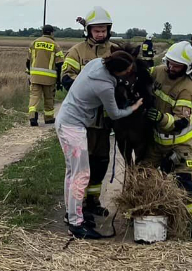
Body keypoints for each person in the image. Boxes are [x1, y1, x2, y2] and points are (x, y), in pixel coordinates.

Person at [56, 50, 144, 238]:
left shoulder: (96, 63)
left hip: (66, 120)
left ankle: (72, 215)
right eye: (127, 71)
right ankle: (76, 225)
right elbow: (115, 114)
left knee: (72, 173)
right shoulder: (104, 86)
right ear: (117, 71)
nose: (128, 74)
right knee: (81, 175)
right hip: (72, 127)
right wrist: (133, 107)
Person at [61, 6, 116, 223]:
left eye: (103, 30)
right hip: (82, 119)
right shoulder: (77, 51)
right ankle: (79, 204)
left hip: (104, 120)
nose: (100, 34)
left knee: (101, 160)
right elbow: (66, 77)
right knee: (83, 163)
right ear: (89, 30)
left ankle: (93, 201)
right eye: (96, 30)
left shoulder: (114, 51)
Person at [150, 41, 192, 239]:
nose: (171, 68)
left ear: (187, 68)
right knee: (145, 173)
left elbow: (180, 122)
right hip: (157, 143)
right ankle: (145, 211)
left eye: (177, 66)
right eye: (170, 63)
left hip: (178, 145)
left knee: (185, 180)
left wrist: (160, 118)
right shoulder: (158, 72)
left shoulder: (188, 89)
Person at [25, 24, 63, 126]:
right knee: (49, 98)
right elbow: (60, 64)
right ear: (52, 33)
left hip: (35, 77)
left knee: (34, 97)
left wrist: (29, 74)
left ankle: (32, 117)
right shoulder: (55, 45)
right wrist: (59, 80)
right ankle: (49, 118)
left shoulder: (34, 43)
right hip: (49, 78)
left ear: (42, 32)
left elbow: (28, 61)